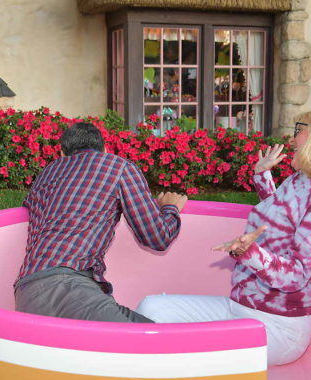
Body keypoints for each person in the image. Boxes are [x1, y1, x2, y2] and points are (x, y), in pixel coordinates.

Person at [136, 109, 311, 365]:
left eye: (299, 129)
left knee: (180, 352)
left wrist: (251, 253)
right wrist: (262, 175)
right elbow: (280, 219)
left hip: (277, 328)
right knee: (151, 309)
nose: (292, 137)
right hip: (240, 309)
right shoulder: (302, 180)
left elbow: (297, 275)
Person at [15, 122, 187, 323]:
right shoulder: (118, 167)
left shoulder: (45, 174)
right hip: (71, 288)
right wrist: (170, 207)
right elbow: (158, 238)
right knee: (157, 343)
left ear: (61, 153)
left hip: (26, 292)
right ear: (105, 150)